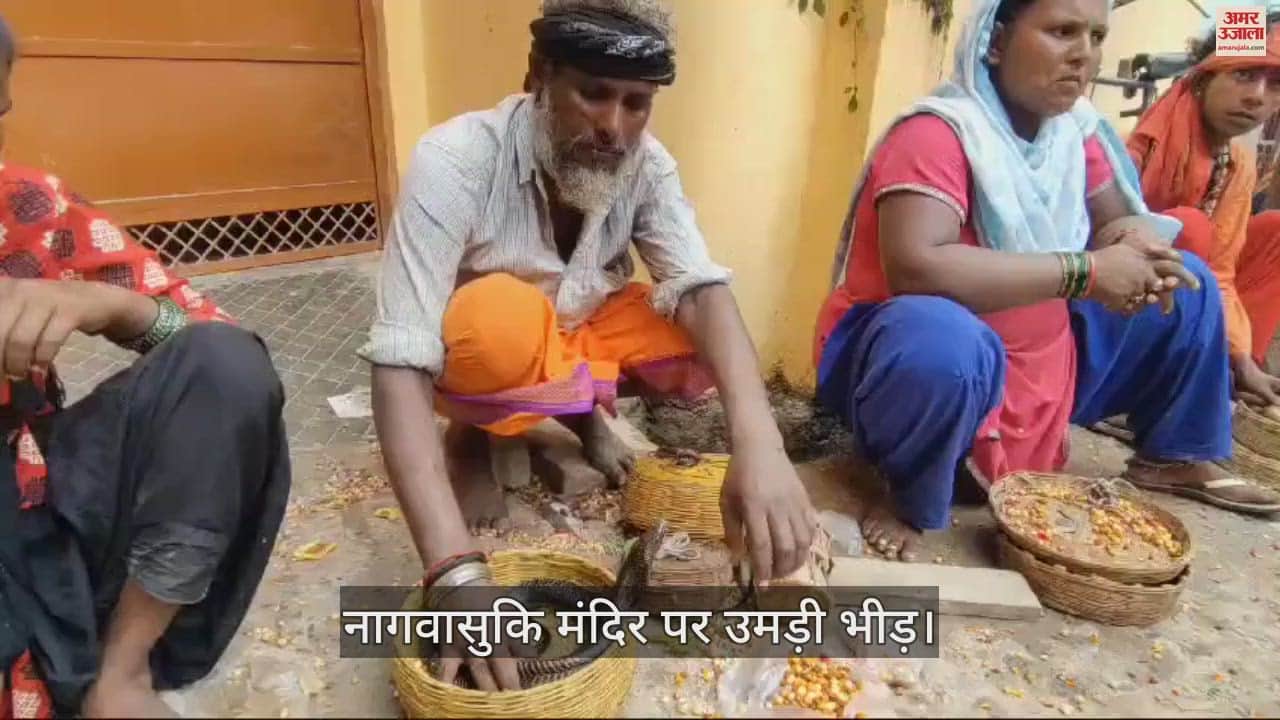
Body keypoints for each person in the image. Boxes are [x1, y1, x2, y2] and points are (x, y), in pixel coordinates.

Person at [361, 0, 816, 690]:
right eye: (593, 94)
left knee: (700, 330)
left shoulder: (646, 166)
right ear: (538, 75)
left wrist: (761, 445)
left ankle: (582, 418)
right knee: (497, 321)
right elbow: (400, 356)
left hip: (576, 329)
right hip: (487, 346)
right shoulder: (454, 159)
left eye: (637, 104)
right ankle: (471, 437)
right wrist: (452, 569)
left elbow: (699, 288)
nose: (614, 127)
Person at [812, 0, 1280, 563]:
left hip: (1039, 352)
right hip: (922, 365)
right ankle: (905, 486)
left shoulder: (1073, 135)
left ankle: (1173, 453)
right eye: (1062, 32)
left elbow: (1114, 220)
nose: (1083, 54)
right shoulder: (939, 134)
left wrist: (1135, 247)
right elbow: (919, 267)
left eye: (1096, 36)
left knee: (1188, 279)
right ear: (997, 41)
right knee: (940, 342)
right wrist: (1085, 272)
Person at [0, 15, 291, 718]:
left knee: (224, 371)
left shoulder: (26, 205)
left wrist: (105, 304)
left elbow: (224, 347)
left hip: (40, 500)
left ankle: (120, 674)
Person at [1124, 19, 1280, 404]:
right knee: (1189, 227)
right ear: (1202, 77)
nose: (1257, 97)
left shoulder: (1239, 164)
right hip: (1125, 304)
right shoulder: (1140, 147)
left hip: (1202, 296)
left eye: (1275, 85)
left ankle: (1236, 377)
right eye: (1243, 75)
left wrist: (1241, 355)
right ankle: (1163, 389)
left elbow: (1222, 272)